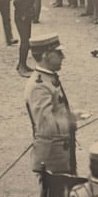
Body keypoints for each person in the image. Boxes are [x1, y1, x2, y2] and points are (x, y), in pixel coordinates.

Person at [26, 33, 77, 179]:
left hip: (61, 153)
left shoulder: (48, 77)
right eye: (58, 53)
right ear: (44, 55)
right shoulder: (39, 86)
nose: (63, 57)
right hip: (51, 158)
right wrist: (70, 120)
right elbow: (46, 125)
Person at [13, 0, 36, 76]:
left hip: (25, 17)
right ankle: (21, 65)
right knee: (24, 42)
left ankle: (23, 64)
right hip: (22, 17)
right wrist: (23, 13)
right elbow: (16, 2)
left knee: (26, 40)